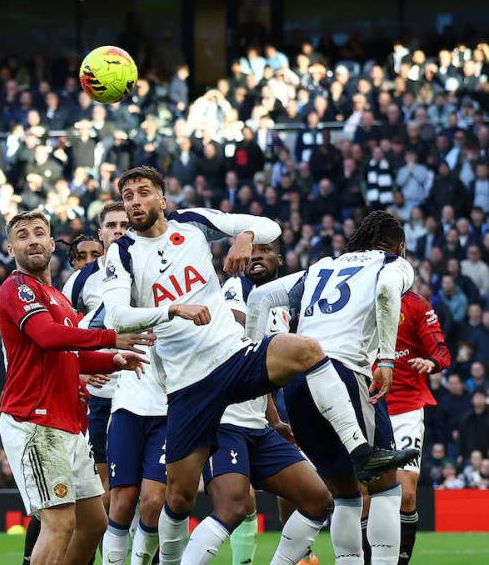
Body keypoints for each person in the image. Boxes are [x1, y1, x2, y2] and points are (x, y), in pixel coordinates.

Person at [100, 167, 415, 565]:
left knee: (308, 350)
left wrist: (246, 235)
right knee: (176, 498)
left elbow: (268, 226)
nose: (134, 202)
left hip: (233, 357)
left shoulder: (193, 223)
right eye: (127, 196)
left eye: (143, 193)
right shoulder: (122, 252)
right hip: (188, 383)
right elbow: (117, 316)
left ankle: (360, 450)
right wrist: (171, 309)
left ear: (162, 200)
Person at [247, 210, 420, 565]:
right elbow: (388, 290)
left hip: (297, 384)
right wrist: (387, 359)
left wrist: (251, 365)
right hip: (343, 374)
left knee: (345, 495)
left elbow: (259, 299)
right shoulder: (392, 264)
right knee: (385, 487)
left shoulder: (322, 266)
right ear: (399, 246)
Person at [0, 209, 152, 565]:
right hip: (34, 422)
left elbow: (68, 356)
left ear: (52, 243)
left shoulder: (60, 299)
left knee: (94, 522)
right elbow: (48, 337)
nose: (32, 240)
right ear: (10, 249)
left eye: (39, 233)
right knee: (60, 522)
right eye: (22, 235)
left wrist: (111, 360)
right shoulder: (17, 288)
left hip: (66, 425)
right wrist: (112, 338)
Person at [215, 240, 333, 565]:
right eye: (251, 251)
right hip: (225, 411)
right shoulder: (236, 287)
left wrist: (275, 418)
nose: (256, 256)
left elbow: (261, 366)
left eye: (265, 250)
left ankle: (301, 553)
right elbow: (240, 332)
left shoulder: (280, 304)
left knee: (296, 485)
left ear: (278, 259)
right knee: (234, 503)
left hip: (260, 408)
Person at [63, 202, 167, 565]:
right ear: (101, 231)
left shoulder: (155, 260)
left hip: (147, 388)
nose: (120, 230)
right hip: (100, 397)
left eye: (125, 224)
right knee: (107, 495)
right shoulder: (81, 279)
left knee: (150, 496)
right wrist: (79, 369)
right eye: (112, 225)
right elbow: (66, 330)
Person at [363, 290, 450, 565]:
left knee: (407, 492)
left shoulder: (415, 303)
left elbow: (441, 350)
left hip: (407, 408)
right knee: (364, 494)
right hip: (367, 406)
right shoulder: (361, 296)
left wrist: (432, 362)